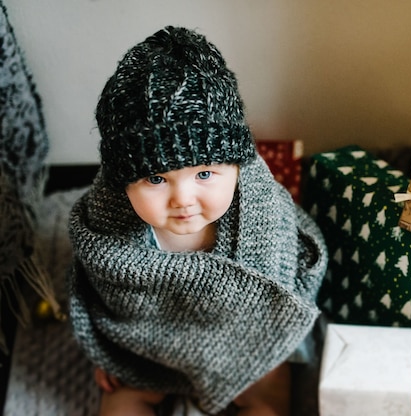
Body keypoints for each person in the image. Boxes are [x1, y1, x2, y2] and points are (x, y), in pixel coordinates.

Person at [67, 26, 328, 416]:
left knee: (270, 395)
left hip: (246, 343)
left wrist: (266, 344)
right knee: (121, 400)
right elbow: (107, 300)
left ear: (236, 168)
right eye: (156, 179)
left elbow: (278, 290)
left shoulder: (263, 219)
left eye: (204, 174)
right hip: (148, 350)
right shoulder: (107, 233)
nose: (183, 200)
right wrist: (108, 351)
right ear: (122, 182)